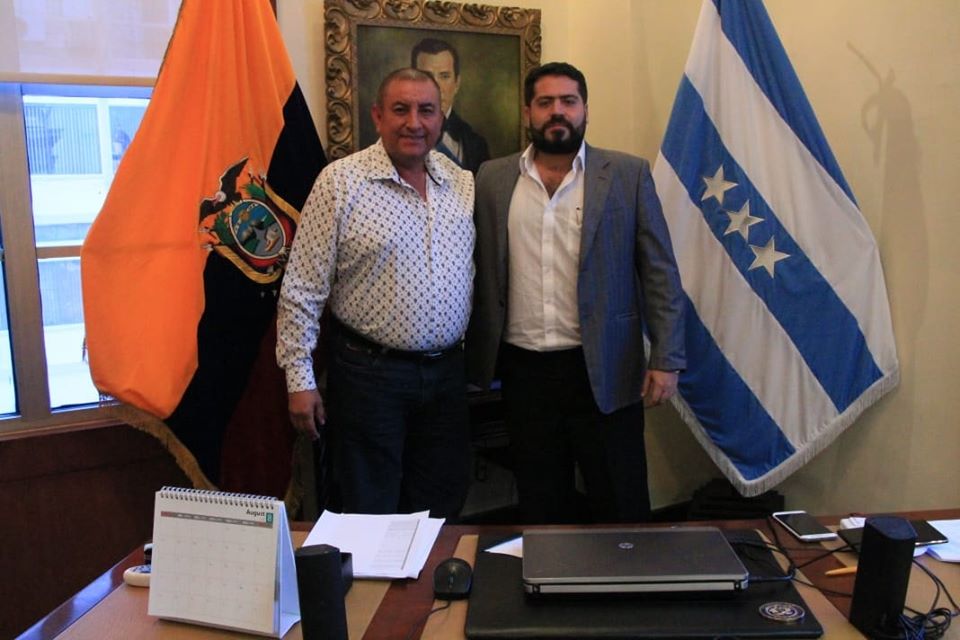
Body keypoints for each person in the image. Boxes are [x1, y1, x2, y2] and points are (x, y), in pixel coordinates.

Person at [465, 62, 686, 524]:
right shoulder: (491, 179)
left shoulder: (627, 174)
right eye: (545, 102)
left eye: (568, 101)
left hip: (605, 366)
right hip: (524, 372)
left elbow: (659, 271)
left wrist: (667, 357)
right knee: (541, 501)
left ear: (585, 108)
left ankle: (625, 571)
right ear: (529, 111)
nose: (557, 111)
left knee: (619, 497)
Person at [277, 68, 475, 519]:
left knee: (441, 502)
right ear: (377, 115)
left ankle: (430, 571)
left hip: (446, 377)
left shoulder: (460, 182)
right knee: (369, 507)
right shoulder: (340, 183)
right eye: (400, 109)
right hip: (369, 376)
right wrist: (300, 380)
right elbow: (302, 288)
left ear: (441, 118)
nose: (414, 122)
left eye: (426, 110)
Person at [411, 37, 490, 174]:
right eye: (426, 76)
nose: (436, 86)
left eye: (444, 76)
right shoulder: (397, 136)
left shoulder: (476, 143)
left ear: (457, 84)